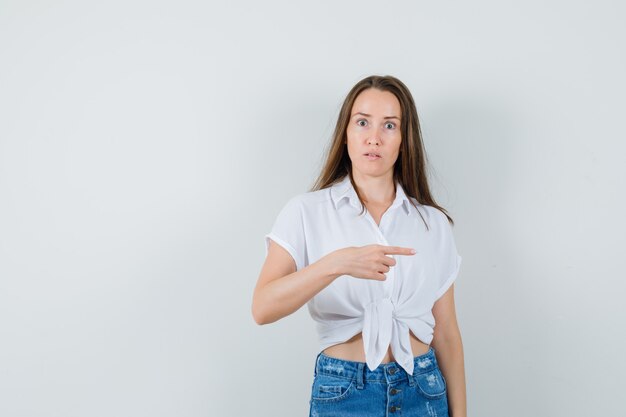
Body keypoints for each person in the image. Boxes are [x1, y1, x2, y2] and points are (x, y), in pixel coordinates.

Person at [252, 75, 466, 417]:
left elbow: (448, 335)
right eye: (362, 122)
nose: (374, 138)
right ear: (346, 133)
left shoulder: (431, 223)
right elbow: (262, 307)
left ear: (403, 139)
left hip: (423, 391)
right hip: (345, 392)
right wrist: (335, 264)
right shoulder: (306, 211)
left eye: (390, 126)